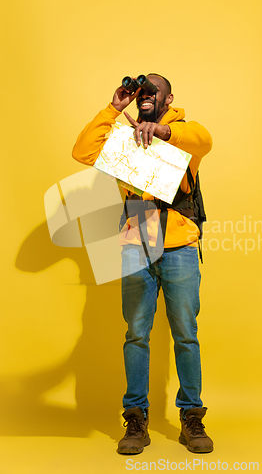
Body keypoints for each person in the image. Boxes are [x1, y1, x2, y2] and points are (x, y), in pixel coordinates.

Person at [72, 74, 213, 454]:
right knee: (136, 333)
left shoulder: (183, 135)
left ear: (169, 98)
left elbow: (205, 139)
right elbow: (82, 151)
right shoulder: (125, 138)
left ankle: (191, 418)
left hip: (179, 244)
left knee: (185, 331)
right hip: (137, 244)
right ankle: (136, 418)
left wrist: (163, 131)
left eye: (154, 90)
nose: (146, 94)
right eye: (141, 91)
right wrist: (114, 108)